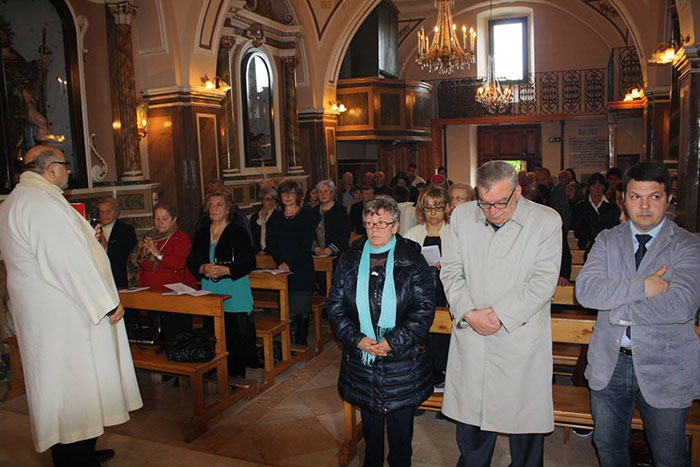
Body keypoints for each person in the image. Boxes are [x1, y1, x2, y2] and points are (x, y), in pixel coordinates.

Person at [0, 145, 142, 466]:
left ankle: (82, 452)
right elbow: (66, 262)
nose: (69, 172)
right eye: (66, 166)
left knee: (66, 386)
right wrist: (105, 303)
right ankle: (74, 458)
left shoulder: (17, 200)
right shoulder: (40, 204)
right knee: (74, 388)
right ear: (51, 170)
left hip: (50, 311)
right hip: (64, 313)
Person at [575, 163, 700, 467]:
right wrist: (645, 286)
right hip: (610, 364)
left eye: (654, 197)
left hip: (666, 366)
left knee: (669, 456)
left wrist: (616, 306)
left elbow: (681, 305)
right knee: (608, 446)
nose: (644, 206)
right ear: (623, 199)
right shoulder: (607, 239)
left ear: (668, 199)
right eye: (635, 197)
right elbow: (587, 292)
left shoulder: (688, 245)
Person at [440, 160, 562, 467]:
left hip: (519, 337)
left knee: (525, 424)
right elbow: (451, 272)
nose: (492, 211)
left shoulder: (546, 221)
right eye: (485, 203)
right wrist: (468, 312)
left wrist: (497, 315)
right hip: (473, 333)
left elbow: (542, 283)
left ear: (518, 192)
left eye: (500, 203)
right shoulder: (462, 217)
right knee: (473, 422)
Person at [327, 196, 435, 467]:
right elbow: (336, 307)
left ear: (395, 225)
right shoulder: (350, 259)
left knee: (401, 435)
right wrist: (357, 340)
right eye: (369, 222)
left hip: (402, 362)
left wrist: (391, 342)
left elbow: (423, 309)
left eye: (382, 223)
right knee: (372, 433)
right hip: (363, 362)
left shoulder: (412, 260)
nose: (375, 228)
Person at [188, 190, 257, 379]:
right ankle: (215, 375)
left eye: (219, 205)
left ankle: (235, 377)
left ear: (228, 209)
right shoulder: (202, 233)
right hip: (211, 289)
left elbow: (250, 262)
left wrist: (225, 270)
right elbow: (192, 261)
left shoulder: (237, 232)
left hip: (234, 288)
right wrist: (202, 268)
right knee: (212, 334)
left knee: (234, 337)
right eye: (211, 205)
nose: (214, 208)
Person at [127, 202, 197, 340]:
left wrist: (158, 254)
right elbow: (135, 262)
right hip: (151, 293)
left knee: (175, 336)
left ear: (174, 219)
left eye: (164, 218)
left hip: (174, 294)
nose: (160, 222)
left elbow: (179, 264)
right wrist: (141, 256)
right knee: (156, 339)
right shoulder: (149, 237)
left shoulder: (180, 237)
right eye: (157, 218)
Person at [405, 187, 451, 390]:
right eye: (428, 208)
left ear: (446, 208)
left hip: (446, 293)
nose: (433, 212)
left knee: (444, 340)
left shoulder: (455, 233)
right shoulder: (413, 233)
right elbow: (403, 262)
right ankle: (425, 382)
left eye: (438, 207)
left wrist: (447, 264)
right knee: (423, 339)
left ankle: (445, 386)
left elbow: (468, 262)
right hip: (421, 293)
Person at [267, 180, 316, 345]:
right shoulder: (275, 217)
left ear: (297, 196)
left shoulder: (306, 216)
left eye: (291, 193)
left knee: (300, 309)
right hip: (281, 268)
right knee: (286, 308)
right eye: (284, 193)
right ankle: (288, 343)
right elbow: (271, 243)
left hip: (301, 268)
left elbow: (305, 244)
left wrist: (290, 264)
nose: (287, 196)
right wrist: (281, 261)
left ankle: (300, 343)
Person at [94, 196, 136, 289]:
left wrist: (106, 248)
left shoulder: (126, 230)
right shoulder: (92, 229)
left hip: (118, 278)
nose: (105, 214)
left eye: (108, 211)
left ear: (116, 213)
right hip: (98, 278)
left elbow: (127, 256)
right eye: (101, 212)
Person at [573, 172, 620, 253]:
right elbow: (577, 227)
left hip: (608, 247)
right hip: (586, 247)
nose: (597, 188)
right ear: (589, 187)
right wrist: (587, 241)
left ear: (604, 187)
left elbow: (615, 227)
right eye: (594, 186)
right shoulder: (580, 206)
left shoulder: (612, 207)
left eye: (600, 186)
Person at [312, 179, 351, 257]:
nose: (323, 194)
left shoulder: (340, 210)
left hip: (338, 254)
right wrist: (315, 248)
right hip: (317, 255)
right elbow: (308, 233)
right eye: (320, 192)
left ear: (332, 193)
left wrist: (331, 249)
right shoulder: (313, 212)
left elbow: (345, 233)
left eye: (326, 191)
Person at [250, 186, 279, 253]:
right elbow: (252, 236)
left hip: (274, 253)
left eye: (273, 199)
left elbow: (277, 238)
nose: (270, 201)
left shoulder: (279, 216)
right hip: (258, 253)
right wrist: (259, 251)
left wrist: (267, 251)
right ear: (261, 201)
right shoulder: (254, 217)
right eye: (267, 199)